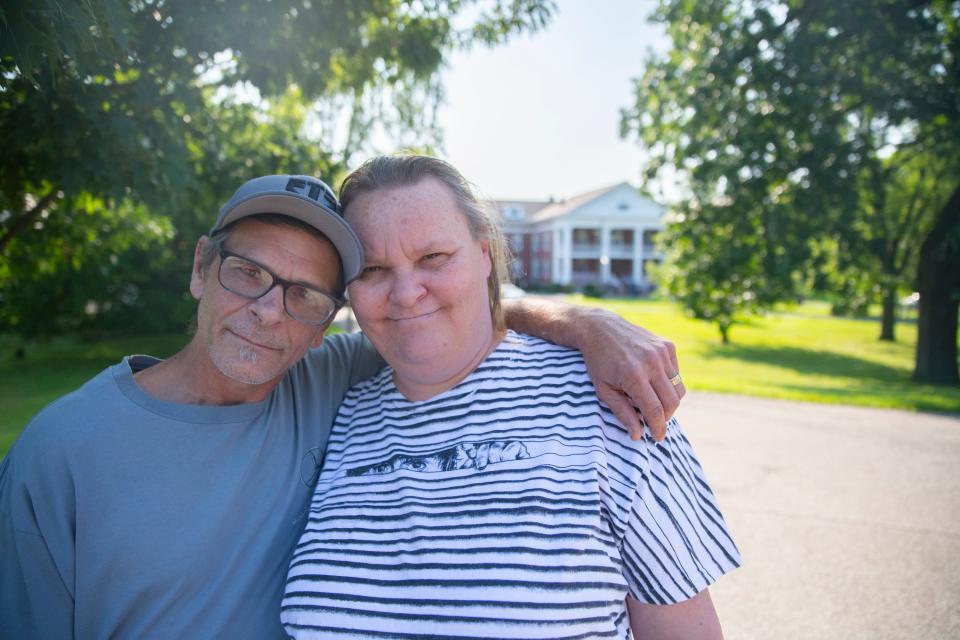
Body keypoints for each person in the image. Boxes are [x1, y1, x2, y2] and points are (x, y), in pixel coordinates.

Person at [0, 173, 687, 639]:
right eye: (248, 274)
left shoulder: (328, 379)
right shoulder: (62, 451)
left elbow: (442, 313)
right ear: (201, 267)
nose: (269, 314)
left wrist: (589, 325)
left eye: (305, 295)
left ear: (334, 315)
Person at [282, 156, 740, 639]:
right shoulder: (336, 410)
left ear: (484, 253)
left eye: (433, 258)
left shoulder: (612, 401)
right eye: (373, 268)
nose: (406, 292)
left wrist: (585, 322)